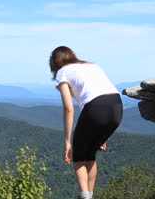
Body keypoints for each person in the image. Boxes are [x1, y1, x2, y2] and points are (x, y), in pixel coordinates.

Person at [49, 46, 123, 199]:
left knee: (79, 156)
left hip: (95, 108)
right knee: (90, 154)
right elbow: (105, 96)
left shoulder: (62, 71)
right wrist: (103, 137)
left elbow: (69, 108)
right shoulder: (92, 66)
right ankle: (89, 195)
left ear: (55, 63)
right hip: (117, 106)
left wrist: (68, 141)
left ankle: (85, 197)